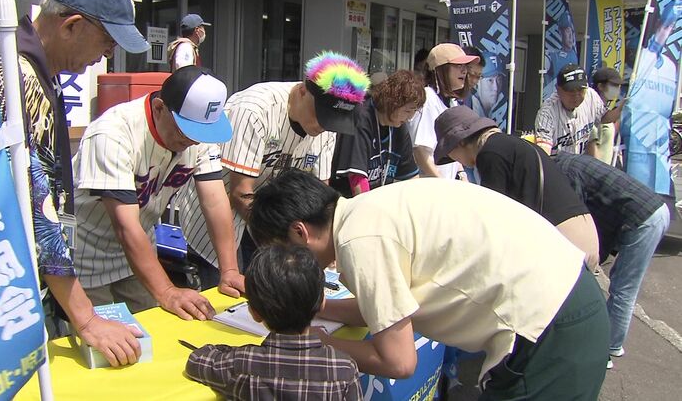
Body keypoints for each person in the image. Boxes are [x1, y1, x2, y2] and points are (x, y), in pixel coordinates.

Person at [248, 169, 609, 400]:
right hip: (571, 302)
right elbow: (386, 306)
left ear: (300, 231)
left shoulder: (360, 240)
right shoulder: (371, 210)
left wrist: (324, 344)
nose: (287, 267)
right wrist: (320, 308)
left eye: (282, 254)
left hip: (550, 333)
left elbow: (400, 362)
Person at [0, 0, 150, 367]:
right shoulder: (16, 78)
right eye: (107, 41)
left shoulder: (36, 70)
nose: (108, 54)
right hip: (4, 287)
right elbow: (35, 209)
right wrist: (86, 317)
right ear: (71, 25)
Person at [178, 52, 369, 289]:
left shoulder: (326, 128)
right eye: (321, 116)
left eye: (331, 122)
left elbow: (321, 195)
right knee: (226, 297)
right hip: (220, 215)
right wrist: (290, 241)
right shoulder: (255, 109)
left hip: (276, 226)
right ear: (302, 90)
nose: (323, 126)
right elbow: (240, 193)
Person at [72, 66, 238, 320]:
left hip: (139, 251)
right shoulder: (113, 132)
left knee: (154, 328)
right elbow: (124, 225)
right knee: (109, 346)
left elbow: (215, 201)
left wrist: (229, 270)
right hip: (86, 254)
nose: (194, 141)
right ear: (159, 108)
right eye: (186, 132)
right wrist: (168, 291)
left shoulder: (199, 137)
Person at [185, 244, 362, 400]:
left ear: (254, 312)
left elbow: (196, 360)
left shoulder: (242, 364)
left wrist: (231, 351)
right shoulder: (344, 368)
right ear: (322, 301)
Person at [434, 105, 600, 269]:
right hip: (585, 235)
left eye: (450, 154)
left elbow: (494, 219)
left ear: (461, 142)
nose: (457, 161)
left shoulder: (490, 153)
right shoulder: (511, 144)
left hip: (563, 242)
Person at [553, 152, 670, 369]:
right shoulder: (572, 162)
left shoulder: (564, 171)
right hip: (652, 210)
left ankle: (607, 347)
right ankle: (608, 342)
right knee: (621, 282)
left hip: (645, 219)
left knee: (624, 288)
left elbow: (577, 218)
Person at [330, 70, 423, 197]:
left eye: (415, 111)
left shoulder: (398, 126)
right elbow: (357, 180)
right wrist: (370, 213)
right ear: (393, 103)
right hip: (349, 205)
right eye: (407, 111)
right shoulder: (361, 117)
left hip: (378, 204)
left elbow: (411, 178)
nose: (410, 117)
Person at [622, 1, 681, 196]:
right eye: (665, 26)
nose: (666, 32)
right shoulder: (641, 59)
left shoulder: (671, 67)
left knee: (658, 196)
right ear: (657, 26)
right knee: (635, 191)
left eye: (670, 27)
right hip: (634, 140)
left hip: (660, 141)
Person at [407, 43, 478, 179]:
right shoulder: (428, 99)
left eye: (465, 67)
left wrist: (460, 172)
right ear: (440, 69)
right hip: (427, 189)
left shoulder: (452, 102)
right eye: (458, 66)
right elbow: (420, 151)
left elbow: (453, 149)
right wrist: (441, 183)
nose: (464, 71)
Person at [535, 64, 621, 155]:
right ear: (558, 89)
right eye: (571, 90)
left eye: (580, 89)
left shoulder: (590, 96)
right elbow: (543, 154)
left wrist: (623, 107)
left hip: (578, 159)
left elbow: (604, 117)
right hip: (555, 162)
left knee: (602, 169)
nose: (576, 95)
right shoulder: (547, 113)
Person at [588, 67, 625, 164]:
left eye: (619, 86)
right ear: (600, 86)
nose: (617, 89)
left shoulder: (604, 110)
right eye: (614, 85)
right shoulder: (591, 110)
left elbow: (608, 119)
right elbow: (591, 147)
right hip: (596, 172)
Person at [543, 12, 579, 99]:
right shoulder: (552, 55)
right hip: (553, 100)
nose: (570, 35)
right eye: (567, 31)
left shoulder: (574, 55)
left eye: (572, 31)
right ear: (560, 31)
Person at [470, 51, 506, 125]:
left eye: (498, 79)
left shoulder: (488, 111)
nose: (496, 88)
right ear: (477, 82)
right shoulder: (468, 109)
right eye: (490, 80)